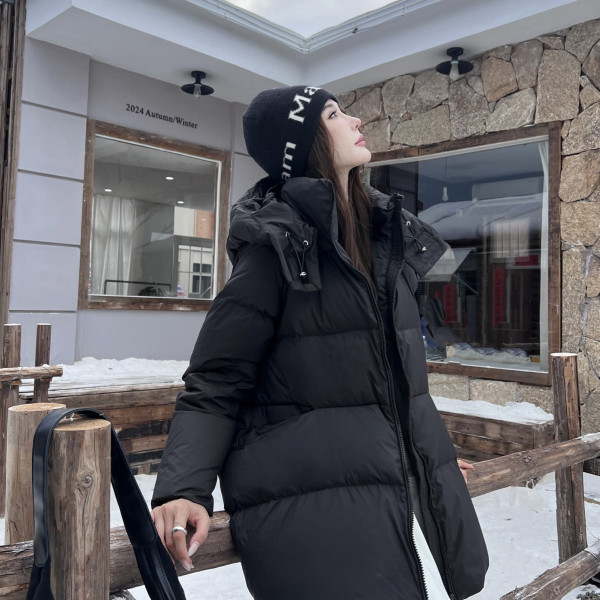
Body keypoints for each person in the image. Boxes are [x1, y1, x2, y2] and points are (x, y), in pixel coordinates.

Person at [151, 85, 488, 600]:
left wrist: (420, 452)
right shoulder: (275, 251)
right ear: (303, 144)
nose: (355, 121)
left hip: (377, 489)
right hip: (314, 512)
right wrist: (182, 489)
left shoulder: (380, 242)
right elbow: (216, 382)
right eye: (334, 114)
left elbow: (392, 382)